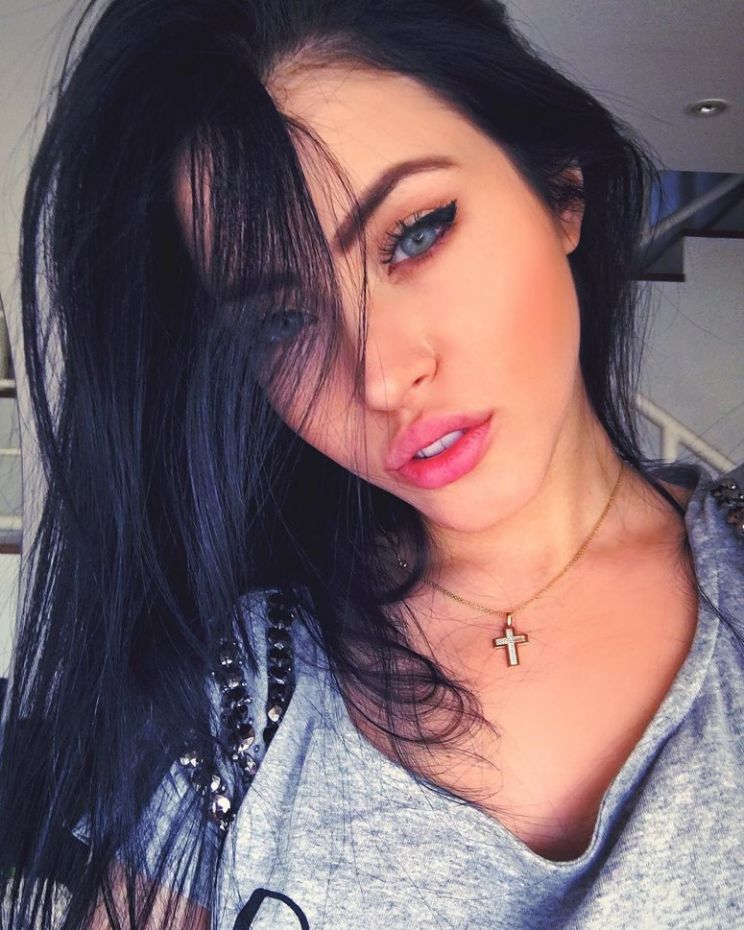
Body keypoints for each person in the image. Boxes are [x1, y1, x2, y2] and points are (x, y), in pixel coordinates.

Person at [0, 0, 741, 927]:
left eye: (417, 233)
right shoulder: (239, 694)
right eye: (282, 318)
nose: (383, 376)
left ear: (561, 191)